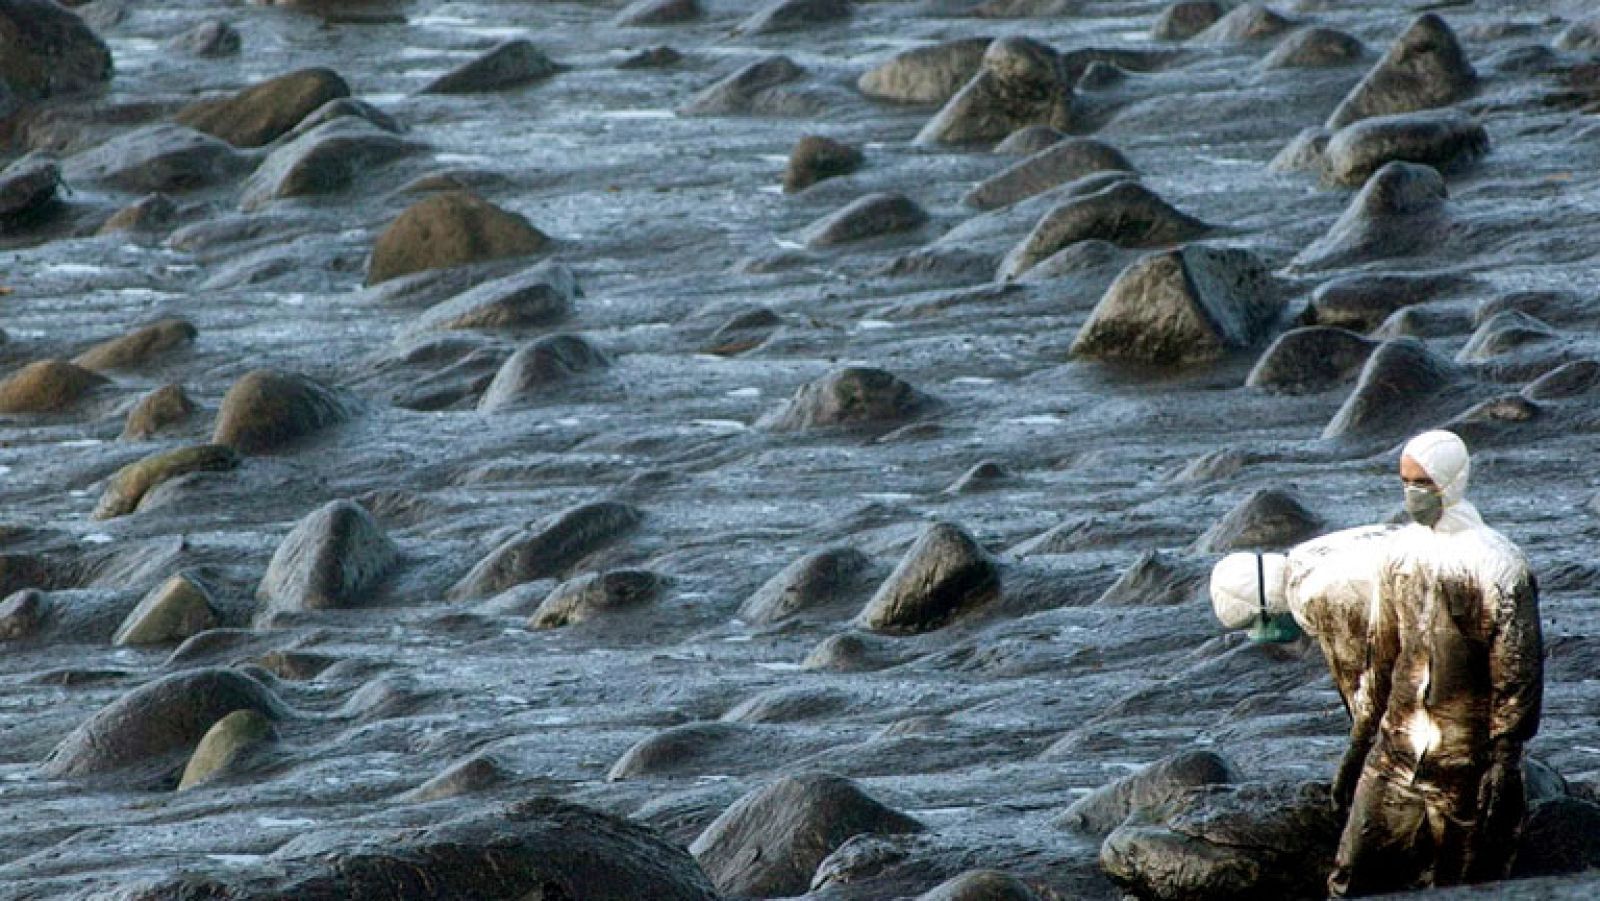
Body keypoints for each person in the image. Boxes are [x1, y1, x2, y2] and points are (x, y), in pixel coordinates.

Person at [1327, 430, 1543, 897]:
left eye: (1422, 482)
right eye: (1405, 481)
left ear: (1451, 480)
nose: (1412, 493)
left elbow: (1517, 669)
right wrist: (1359, 743)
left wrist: (1505, 759)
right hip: (1395, 752)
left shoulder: (1498, 564)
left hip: (1465, 762)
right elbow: (1381, 656)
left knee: (1460, 885)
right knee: (1352, 876)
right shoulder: (1399, 554)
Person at [1209, 523, 1400, 813]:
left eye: (1254, 623)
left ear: (1267, 609)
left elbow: (1363, 689)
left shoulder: (1315, 596)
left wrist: (1353, 770)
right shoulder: (1305, 557)